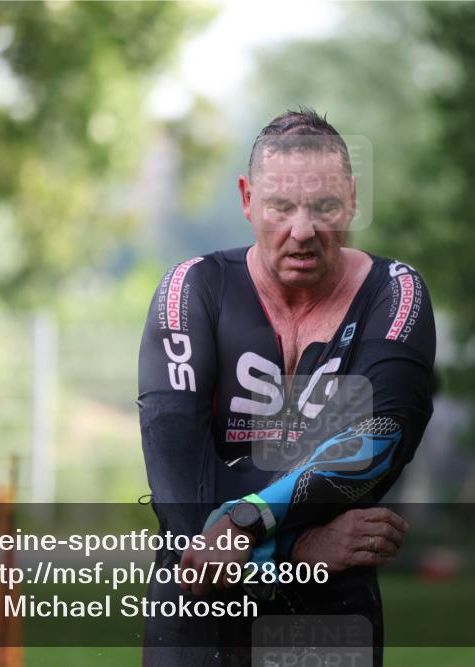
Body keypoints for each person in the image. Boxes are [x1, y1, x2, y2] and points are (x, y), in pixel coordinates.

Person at [137, 108, 436, 666]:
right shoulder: (192, 287)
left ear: (351, 199)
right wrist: (305, 548)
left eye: (323, 206)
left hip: (327, 615)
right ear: (248, 199)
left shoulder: (395, 293)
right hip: (202, 602)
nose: (302, 231)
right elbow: (177, 483)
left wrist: (245, 522)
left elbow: (380, 437)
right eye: (281, 207)